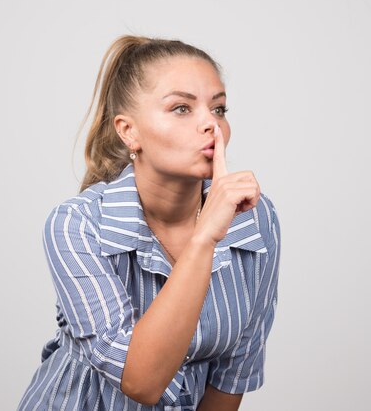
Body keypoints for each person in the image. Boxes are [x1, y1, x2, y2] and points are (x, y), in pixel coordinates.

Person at [17, 35, 281, 411]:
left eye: (219, 109)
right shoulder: (77, 225)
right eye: (181, 109)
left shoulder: (255, 217)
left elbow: (233, 372)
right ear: (129, 131)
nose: (211, 124)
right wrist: (205, 236)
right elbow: (141, 380)